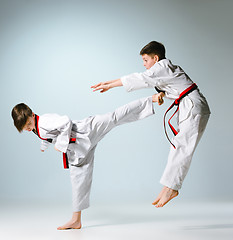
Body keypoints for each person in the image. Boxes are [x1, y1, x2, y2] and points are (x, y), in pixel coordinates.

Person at [11, 94, 164, 230]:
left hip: (87, 130)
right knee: (78, 180)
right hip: (79, 149)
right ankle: (76, 220)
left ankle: (150, 100)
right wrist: (44, 145)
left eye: (29, 125)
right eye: (25, 128)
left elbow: (65, 121)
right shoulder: (38, 126)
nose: (29, 129)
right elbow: (48, 135)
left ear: (32, 114)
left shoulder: (43, 122)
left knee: (114, 117)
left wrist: (60, 144)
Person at [91, 41, 211, 208]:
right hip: (190, 106)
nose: (144, 64)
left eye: (146, 60)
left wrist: (110, 84)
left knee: (183, 147)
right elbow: (166, 85)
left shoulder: (162, 67)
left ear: (156, 58)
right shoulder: (164, 69)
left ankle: (172, 188)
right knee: (178, 146)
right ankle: (168, 187)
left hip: (193, 107)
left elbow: (140, 79)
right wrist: (162, 93)